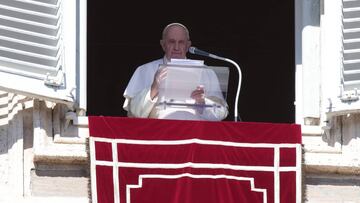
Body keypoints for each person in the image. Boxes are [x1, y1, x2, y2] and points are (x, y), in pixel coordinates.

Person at [123, 23, 228, 121]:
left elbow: (221, 114)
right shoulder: (144, 70)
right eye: (171, 42)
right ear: (163, 44)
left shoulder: (207, 72)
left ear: (188, 46)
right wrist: (153, 89)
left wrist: (202, 103)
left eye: (181, 42)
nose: (176, 47)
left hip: (195, 134)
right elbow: (134, 114)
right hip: (158, 134)